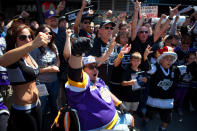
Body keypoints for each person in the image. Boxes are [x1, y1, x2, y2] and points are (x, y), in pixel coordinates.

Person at [65, 37, 134, 131]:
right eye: (90, 67)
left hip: (116, 118)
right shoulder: (80, 85)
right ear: (83, 70)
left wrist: (118, 103)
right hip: (102, 128)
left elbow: (105, 91)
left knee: (131, 118)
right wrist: (77, 54)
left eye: (96, 66)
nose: (95, 69)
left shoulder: (99, 81)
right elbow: (75, 73)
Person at [5, 24, 50, 131]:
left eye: (30, 36)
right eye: (22, 37)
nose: (28, 39)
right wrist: (33, 44)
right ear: (14, 40)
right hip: (23, 110)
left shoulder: (27, 54)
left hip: (36, 105)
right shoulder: (13, 57)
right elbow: (2, 61)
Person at [30, 24, 60, 130]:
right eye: (46, 33)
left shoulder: (53, 46)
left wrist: (56, 66)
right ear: (40, 34)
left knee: (54, 105)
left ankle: (54, 126)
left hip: (54, 82)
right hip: (41, 83)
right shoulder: (34, 49)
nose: (49, 35)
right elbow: (33, 70)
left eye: (51, 33)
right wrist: (49, 69)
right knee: (41, 108)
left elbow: (58, 60)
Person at [143, 46, 179, 131]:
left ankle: (162, 128)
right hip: (154, 99)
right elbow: (148, 69)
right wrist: (145, 57)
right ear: (160, 59)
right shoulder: (155, 67)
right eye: (167, 59)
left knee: (167, 118)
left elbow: (189, 68)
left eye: (171, 59)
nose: (169, 61)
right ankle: (145, 120)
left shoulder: (175, 69)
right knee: (150, 114)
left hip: (168, 100)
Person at [120, 47, 151, 114]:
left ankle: (130, 120)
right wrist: (129, 83)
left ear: (140, 62)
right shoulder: (127, 70)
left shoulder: (140, 71)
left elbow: (142, 83)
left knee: (132, 111)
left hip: (137, 97)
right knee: (124, 112)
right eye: (134, 60)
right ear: (130, 61)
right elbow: (122, 83)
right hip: (127, 97)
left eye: (138, 61)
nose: (136, 62)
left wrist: (145, 81)